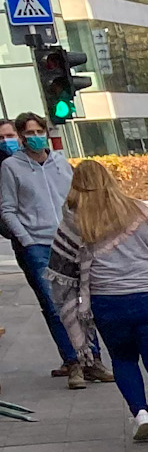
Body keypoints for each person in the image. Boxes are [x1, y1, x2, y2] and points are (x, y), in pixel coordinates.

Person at [50, 158, 148, 442]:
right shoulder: (139, 212)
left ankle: (140, 413)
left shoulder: (72, 222)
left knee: (124, 360)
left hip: (108, 303)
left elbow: (60, 268)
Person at [0, 115, 86, 382]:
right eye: (29, 133)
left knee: (81, 302)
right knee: (54, 305)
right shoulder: (12, 167)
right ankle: (74, 363)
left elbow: (75, 199)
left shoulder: (60, 162)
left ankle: (91, 359)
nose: (35, 136)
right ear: (22, 136)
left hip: (69, 241)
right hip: (37, 245)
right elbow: (7, 208)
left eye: (40, 131)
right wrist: (26, 239)